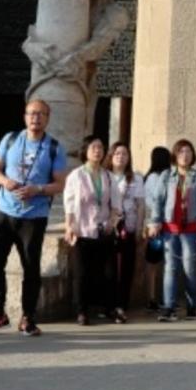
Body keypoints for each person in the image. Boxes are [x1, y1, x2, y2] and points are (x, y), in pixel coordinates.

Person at [0, 99, 68, 336]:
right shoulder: (10, 139)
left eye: (40, 114)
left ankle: (28, 317)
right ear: (24, 116)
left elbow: (60, 184)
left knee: (31, 268)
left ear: (48, 118)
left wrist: (37, 189)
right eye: (31, 113)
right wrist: (5, 181)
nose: (35, 118)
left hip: (34, 216)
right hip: (4, 212)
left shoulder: (54, 147)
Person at [147, 139, 196, 323]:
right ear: (175, 155)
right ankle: (169, 307)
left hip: (192, 229)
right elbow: (158, 201)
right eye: (181, 151)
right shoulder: (166, 176)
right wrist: (155, 222)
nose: (185, 155)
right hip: (170, 228)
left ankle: (192, 305)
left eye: (188, 151)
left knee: (190, 268)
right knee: (170, 268)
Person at [63, 136, 120, 325]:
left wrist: (112, 221)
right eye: (94, 147)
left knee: (109, 272)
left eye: (101, 147)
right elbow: (69, 204)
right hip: (82, 230)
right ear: (85, 151)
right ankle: (82, 311)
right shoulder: (76, 175)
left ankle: (109, 308)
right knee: (82, 273)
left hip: (104, 229)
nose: (98, 151)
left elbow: (116, 203)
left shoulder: (109, 176)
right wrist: (69, 226)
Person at [108, 141, 145, 323]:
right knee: (109, 268)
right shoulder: (105, 176)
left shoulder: (136, 178)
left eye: (124, 154)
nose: (120, 157)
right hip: (107, 228)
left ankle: (121, 305)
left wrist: (138, 227)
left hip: (127, 227)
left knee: (126, 268)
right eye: (117, 154)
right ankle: (109, 305)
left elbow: (140, 205)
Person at [141, 147, 171, 311]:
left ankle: (157, 296)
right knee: (154, 263)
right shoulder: (155, 178)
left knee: (158, 263)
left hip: (159, 224)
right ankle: (152, 297)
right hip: (156, 225)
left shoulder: (154, 177)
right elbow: (152, 202)